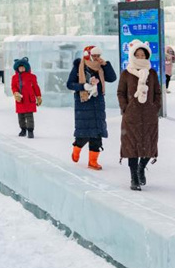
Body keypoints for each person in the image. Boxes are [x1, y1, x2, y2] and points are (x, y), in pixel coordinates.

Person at [117, 40, 162, 191]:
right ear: (133, 55)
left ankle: (141, 167)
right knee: (131, 147)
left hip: (149, 116)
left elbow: (157, 93)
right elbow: (121, 92)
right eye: (138, 55)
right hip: (131, 117)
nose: (141, 57)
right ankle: (134, 177)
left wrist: (155, 107)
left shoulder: (152, 73)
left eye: (143, 55)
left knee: (149, 145)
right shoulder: (126, 73)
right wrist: (126, 108)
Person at [66, 45, 117, 170]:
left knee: (97, 134)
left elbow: (112, 78)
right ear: (88, 55)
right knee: (83, 135)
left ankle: (93, 161)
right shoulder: (79, 67)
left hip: (98, 103)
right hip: (84, 103)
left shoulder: (101, 67)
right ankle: (76, 149)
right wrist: (83, 86)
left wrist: (105, 65)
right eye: (94, 56)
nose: (97, 58)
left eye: (98, 55)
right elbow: (70, 84)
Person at [11, 57, 42, 138]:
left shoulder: (32, 76)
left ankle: (30, 131)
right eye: (20, 67)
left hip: (29, 99)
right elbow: (13, 87)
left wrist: (38, 96)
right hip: (20, 99)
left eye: (23, 67)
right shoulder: (14, 77)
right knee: (21, 116)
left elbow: (36, 87)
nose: (21, 69)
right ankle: (23, 129)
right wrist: (16, 93)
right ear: (17, 68)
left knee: (29, 116)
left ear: (26, 67)